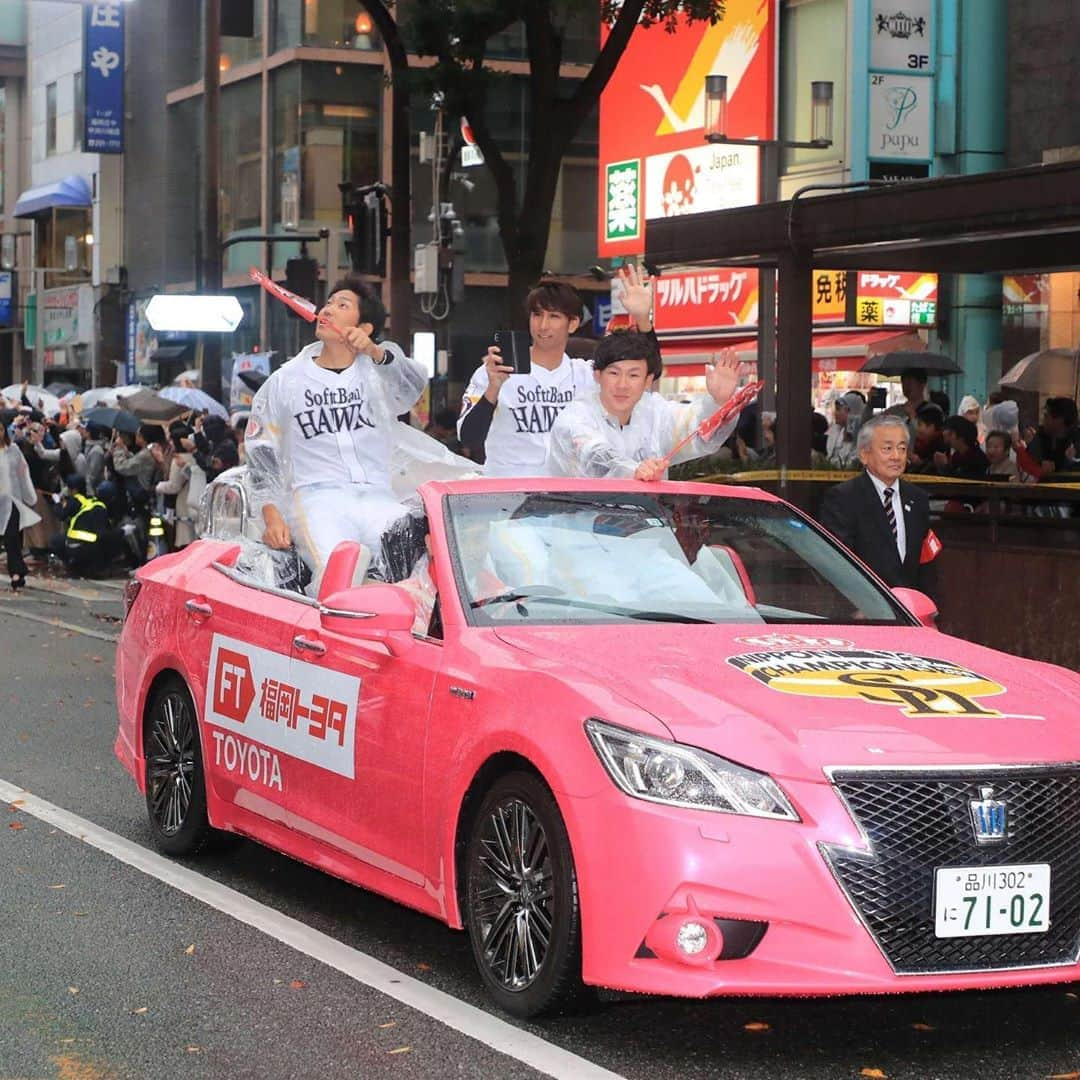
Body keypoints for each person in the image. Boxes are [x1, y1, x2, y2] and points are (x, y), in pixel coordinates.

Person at [247, 275, 427, 588]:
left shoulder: (377, 371)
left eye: (342, 305)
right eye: (328, 303)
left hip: (378, 497)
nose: (327, 310)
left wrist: (376, 352)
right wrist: (271, 514)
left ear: (364, 327)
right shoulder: (286, 381)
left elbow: (411, 388)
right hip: (317, 499)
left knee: (413, 571)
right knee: (338, 578)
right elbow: (262, 450)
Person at [546, 331, 741, 479]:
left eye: (633, 375)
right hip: (576, 526)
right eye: (614, 373)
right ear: (597, 375)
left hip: (646, 526)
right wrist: (634, 471)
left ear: (648, 381)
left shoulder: (654, 410)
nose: (622, 384)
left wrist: (718, 402)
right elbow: (594, 457)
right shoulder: (575, 416)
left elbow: (695, 428)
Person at [817, 413, 932, 591]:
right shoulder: (843, 498)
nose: (896, 456)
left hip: (910, 609)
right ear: (864, 454)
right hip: (865, 610)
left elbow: (926, 563)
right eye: (887, 448)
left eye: (902, 449)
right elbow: (837, 564)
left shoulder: (917, 499)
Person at [0, 422, 40, 590]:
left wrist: (29, 496)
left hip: (13, 500)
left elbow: (23, 474)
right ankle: (19, 569)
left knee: (12, 538)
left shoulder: (14, 450)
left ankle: (16, 572)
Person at [825, 391, 864, 468]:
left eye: (839, 409)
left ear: (849, 411)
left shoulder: (863, 434)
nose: (835, 413)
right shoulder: (835, 430)